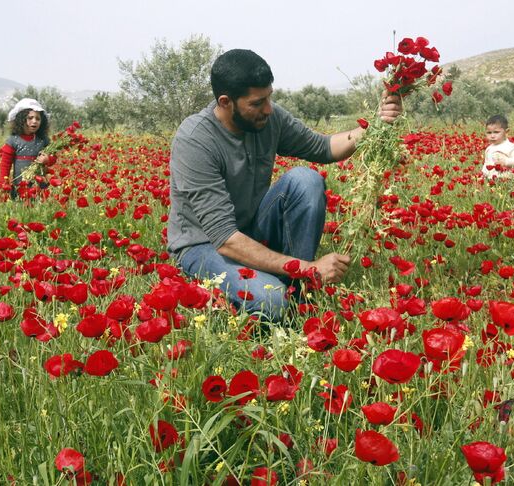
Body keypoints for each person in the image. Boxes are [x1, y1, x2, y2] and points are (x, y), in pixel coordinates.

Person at [167, 49, 403, 323]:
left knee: (306, 179)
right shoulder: (195, 140)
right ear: (225, 101)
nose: (268, 108)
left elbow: (324, 147)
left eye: (269, 97)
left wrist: (376, 124)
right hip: (205, 244)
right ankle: (293, 281)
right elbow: (225, 238)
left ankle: (298, 290)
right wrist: (308, 268)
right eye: (257, 103)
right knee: (272, 301)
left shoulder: (268, 118)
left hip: (250, 231)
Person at [0, 98, 51, 199]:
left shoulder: (43, 140)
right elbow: (5, 164)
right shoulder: (13, 141)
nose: (34, 121)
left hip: (39, 186)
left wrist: (47, 159)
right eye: (30, 118)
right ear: (21, 120)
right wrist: (3, 184)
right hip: (19, 187)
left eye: (38, 119)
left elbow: (53, 157)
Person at [481, 114, 514, 180]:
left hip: (506, 179)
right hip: (491, 180)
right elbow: (486, 164)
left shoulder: (510, 146)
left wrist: (506, 162)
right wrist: (483, 175)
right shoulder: (489, 149)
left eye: (496, 132)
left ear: (506, 132)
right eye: (489, 133)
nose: (492, 136)